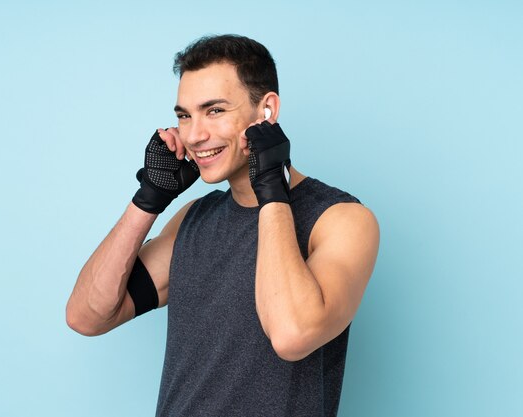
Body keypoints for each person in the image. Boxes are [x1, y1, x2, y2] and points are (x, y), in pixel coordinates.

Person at [66, 34, 379, 416]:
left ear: (266, 111)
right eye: (184, 115)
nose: (195, 135)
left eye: (214, 111)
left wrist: (273, 193)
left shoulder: (341, 219)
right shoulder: (193, 220)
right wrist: (148, 200)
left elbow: (291, 335)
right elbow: (87, 316)